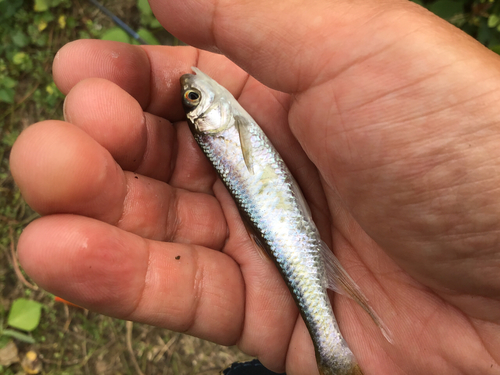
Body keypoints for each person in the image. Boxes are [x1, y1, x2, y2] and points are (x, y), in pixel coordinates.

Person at [9, 0, 500, 374]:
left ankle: (330, 346)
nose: (194, 88)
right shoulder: (219, 125)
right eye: (196, 97)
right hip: (291, 228)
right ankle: (330, 348)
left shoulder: (219, 125)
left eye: (193, 97)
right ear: (211, 114)